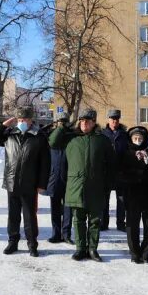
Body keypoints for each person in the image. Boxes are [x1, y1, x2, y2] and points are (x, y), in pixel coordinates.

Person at [48, 108, 115, 262]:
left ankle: (92, 249)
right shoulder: (70, 138)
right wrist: (62, 127)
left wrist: (108, 185)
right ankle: (80, 249)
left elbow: (112, 165)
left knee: (94, 221)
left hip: (96, 187)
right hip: (75, 186)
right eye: (82, 120)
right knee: (77, 219)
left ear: (93, 122)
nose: (84, 123)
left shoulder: (102, 140)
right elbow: (52, 142)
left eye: (88, 121)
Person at [0, 106, 51, 257]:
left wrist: (42, 184)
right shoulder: (10, 134)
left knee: (30, 216)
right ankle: (13, 242)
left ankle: (32, 244)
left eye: (25, 119)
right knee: (13, 215)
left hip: (29, 184)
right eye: (19, 119)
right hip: (11, 182)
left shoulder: (39, 137)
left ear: (31, 121)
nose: (22, 122)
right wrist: (3, 125)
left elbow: (45, 164)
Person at [119, 126, 148, 264]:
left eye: (140, 138)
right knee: (132, 225)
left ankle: (146, 254)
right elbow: (120, 175)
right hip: (132, 195)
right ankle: (135, 253)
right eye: (135, 138)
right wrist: (136, 176)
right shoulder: (126, 154)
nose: (138, 141)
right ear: (131, 139)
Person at [45, 114, 73, 244]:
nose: (62, 124)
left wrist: (66, 128)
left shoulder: (72, 135)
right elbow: (54, 141)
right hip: (54, 177)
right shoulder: (51, 135)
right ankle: (56, 233)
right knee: (55, 208)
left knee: (68, 209)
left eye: (64, 122)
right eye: (59, 122)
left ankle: (66, 234)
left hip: (69, 177)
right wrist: (60, 129)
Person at [101, 109, 130, 231]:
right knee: (104, 199)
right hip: (106, 172)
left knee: (121, 199)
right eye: (112, 119)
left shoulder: (124, 135)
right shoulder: (102, 134)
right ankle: (104, 222)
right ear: (108, 120)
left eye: (116, 119)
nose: (114, 121)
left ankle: (120, 223)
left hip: (120, 171)